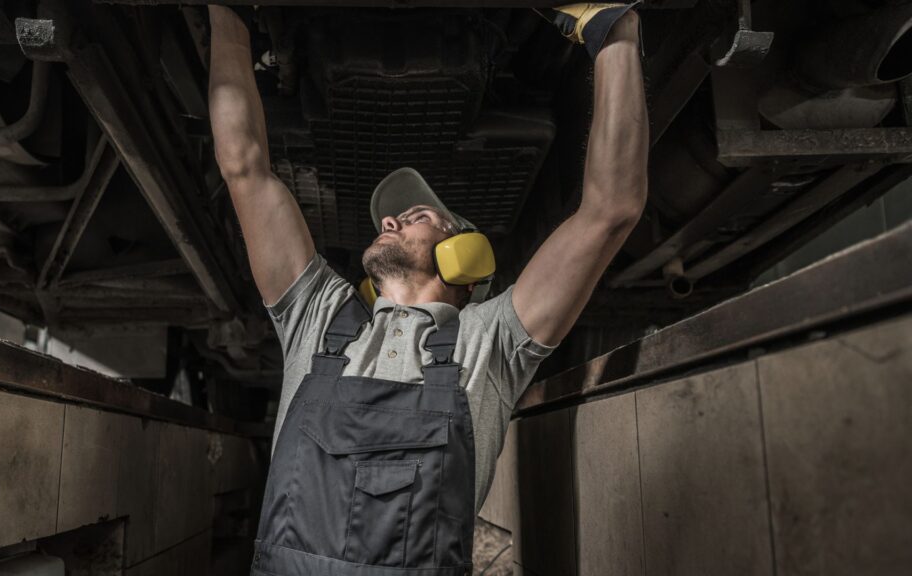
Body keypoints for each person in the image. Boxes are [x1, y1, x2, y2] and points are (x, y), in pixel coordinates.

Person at [208, 3, 648, 574]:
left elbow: (611, 208)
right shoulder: (316, 318)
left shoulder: (490, 344)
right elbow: (245, 166)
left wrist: (615, 30)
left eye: (414, 215)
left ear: (464, 255)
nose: (387, 222)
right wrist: (228, 16)